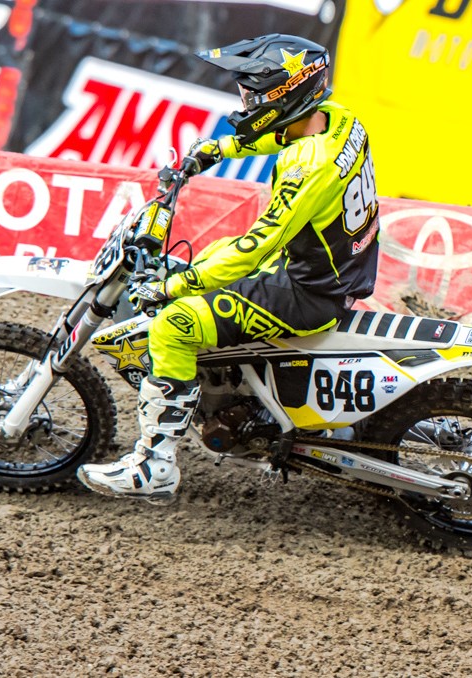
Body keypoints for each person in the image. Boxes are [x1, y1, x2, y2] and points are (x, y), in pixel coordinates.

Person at [77, 33, 380, 501]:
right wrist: (218, 151)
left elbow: (255, 247)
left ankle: (155, 465)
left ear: (284, 94)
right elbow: (280, 132)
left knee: (174, 324)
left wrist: (173, 286)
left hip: (307, 293)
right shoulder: (339, 120)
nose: (246, 101)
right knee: (214, 254)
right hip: (338, 269)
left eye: (254, 93)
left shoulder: (308, 167)